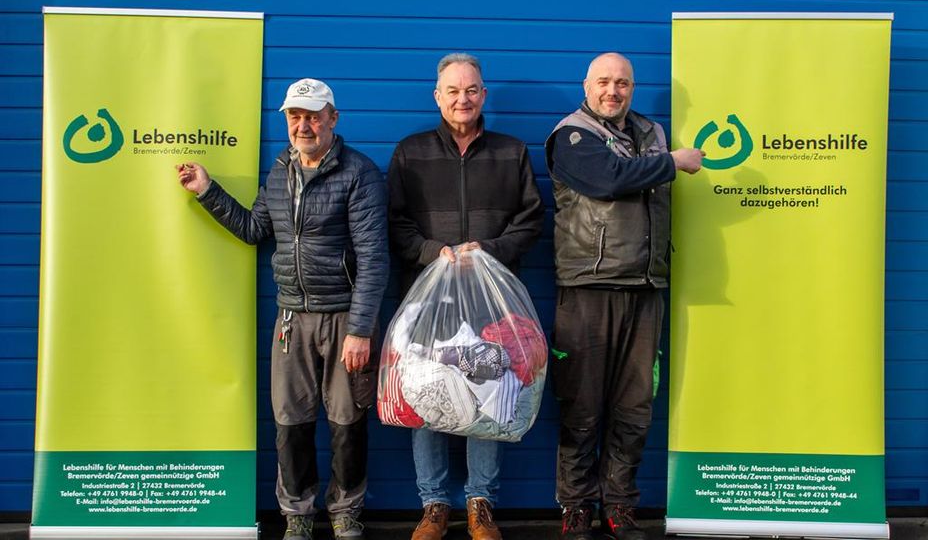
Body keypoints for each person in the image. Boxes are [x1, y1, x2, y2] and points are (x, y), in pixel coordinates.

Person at [176, 78, 389, 540]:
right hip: (291, 319)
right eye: (295, 116)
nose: (304, 125)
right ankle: (297, 512)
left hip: (343, 318)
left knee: (347, 421)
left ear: (333, 118)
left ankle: (346, 510)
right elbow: (254, 229)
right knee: (290, 421)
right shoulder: (279, 173)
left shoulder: (359, 173)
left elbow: (374, 258)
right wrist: (207, 190)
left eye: (314, 115)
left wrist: (360, 330)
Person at [544, 53, 704, 540]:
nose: (613, 91)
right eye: (604, 82)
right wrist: (673, 162)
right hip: (589, 288)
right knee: (582, 403)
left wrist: (661, 159)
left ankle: (619, 505)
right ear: (586, 86)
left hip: (646, 288)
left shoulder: (650, 132)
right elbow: (608, 180)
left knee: (635, 406)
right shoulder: (572, 135)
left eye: (623, 83)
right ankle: (576, 506)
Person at [388, 53, 544, 540]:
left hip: (491, 304)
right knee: (425, 392)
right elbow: (394, 223)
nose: (463, 99)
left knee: (491, 391)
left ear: (483, 94)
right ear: (437, 96)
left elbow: (532, 219)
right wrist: (436, 251)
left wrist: (489, 251)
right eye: (453, 91)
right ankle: (434, 505)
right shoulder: (410, 153)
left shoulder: (511, 151)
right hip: (428, 299)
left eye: (472, 90)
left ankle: (480, 503)